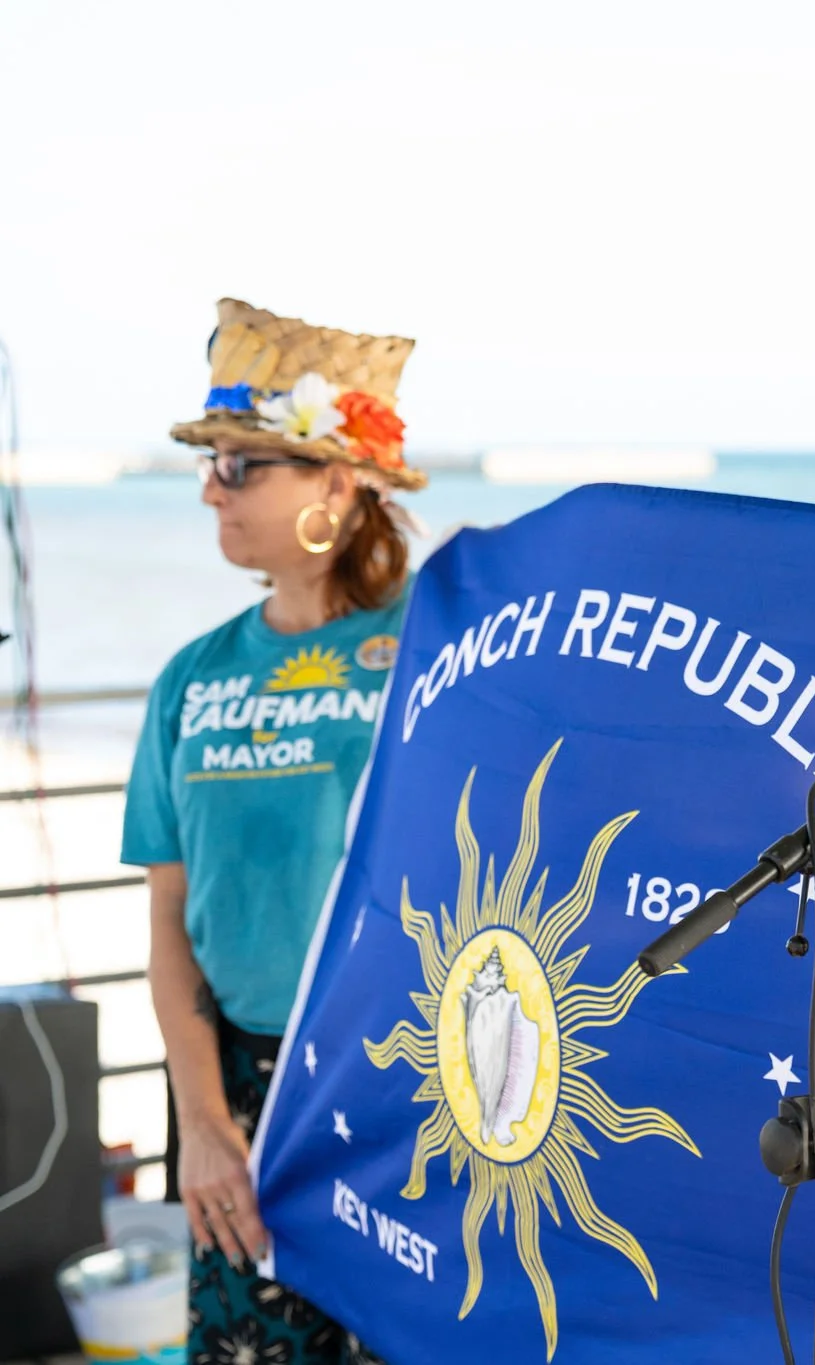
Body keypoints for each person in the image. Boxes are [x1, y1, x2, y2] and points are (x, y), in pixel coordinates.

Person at [122, 299, 426, 1365]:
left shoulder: (443, 652)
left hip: (412, 1093)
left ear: (336, 483)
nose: (211, 487)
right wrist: (201, 1122)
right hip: (237, 1103)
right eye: (212, 464)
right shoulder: (192, 678)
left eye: (243, 464)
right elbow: (168, 913)